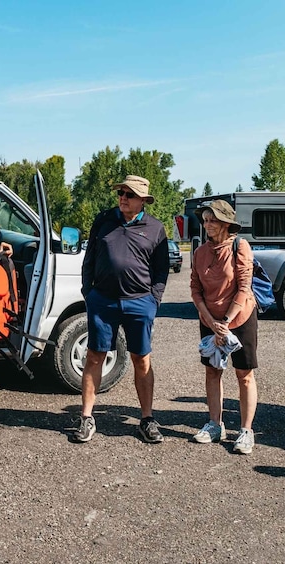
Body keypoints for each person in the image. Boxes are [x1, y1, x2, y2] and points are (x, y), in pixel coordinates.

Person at [75, 175, 170, 443]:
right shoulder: (104, 220)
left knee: (142, 359)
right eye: (121, 193)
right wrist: (88, 292)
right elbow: (89, 258)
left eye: (129, 194)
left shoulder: (155, 228)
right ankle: (86, 418)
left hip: (140, 302)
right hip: (103, 301)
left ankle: (147, 419)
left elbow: (161, 269)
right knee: (95, 355)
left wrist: (154, 300)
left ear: (143, 200)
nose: (123, 198)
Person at [189, 200, 258, 454]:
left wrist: (226, 323)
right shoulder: (199, 252)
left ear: (226, 224)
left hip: (239, 318)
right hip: (211, 320)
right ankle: (215, 424)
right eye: (205, 220)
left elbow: (244, 287)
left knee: (244, 374)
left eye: (213, 220)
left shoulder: (240, 247)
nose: (207, 225)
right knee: (212, 371)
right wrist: (210, 320)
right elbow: (195, 289)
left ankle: (246, 430)